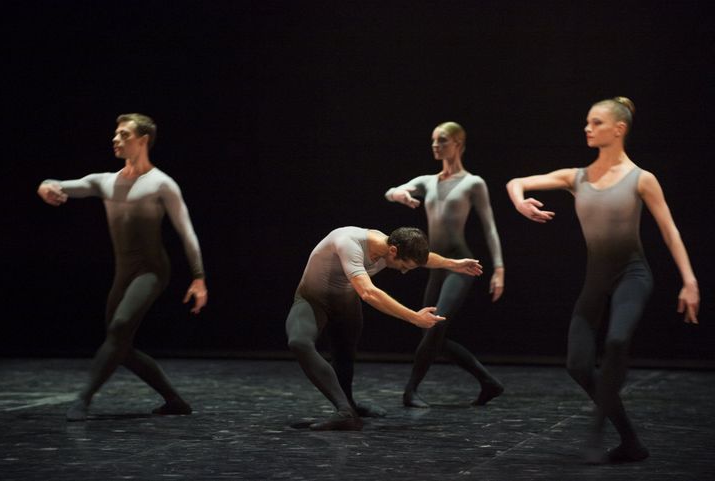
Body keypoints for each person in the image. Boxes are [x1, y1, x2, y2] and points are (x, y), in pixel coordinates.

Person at [506, 97, 699, 463]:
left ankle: (595, 430)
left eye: (595, 122)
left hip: (633, 274)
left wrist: (689, 282)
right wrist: (520, 201)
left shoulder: (642, 179)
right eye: (587, 122)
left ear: (618, 129)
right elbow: (516, 181)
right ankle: (631, 442)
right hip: (596, 278)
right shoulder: (576, 178)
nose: (587, 128)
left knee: (616, 339)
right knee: (577, 365)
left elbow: (670, 231)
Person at [37, 113, 208, 421]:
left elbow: (187, 232)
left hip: (152, 271)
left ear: (142, 141)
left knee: (118, 330)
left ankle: (83, 399)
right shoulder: (104, 182)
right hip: (124, 272)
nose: (116, 139)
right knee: (121, 346)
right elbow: (59, 184)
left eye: (124, 135)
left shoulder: (161, 184)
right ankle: (174, 400)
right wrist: (46, 186)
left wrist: (199, 278)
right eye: (115, 134)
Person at [286, 226, 483, 430]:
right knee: (299, 342)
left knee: (344, 356)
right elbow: (368, 293)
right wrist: (414, 317)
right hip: (313, 300)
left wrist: (454, 264)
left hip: (346, 303)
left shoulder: (390, 245)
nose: (405, 272)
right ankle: (346, 413)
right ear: (393, 252)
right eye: (405, 266)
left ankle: (349, 407)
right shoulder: (349, 243)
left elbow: (426, 258)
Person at [384, 122, 505, 408]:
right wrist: (398, 194)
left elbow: (490, 228)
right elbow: (390, 191)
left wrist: (499, 268)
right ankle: (488, 382)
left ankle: (410, 391)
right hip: (434, 264)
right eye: (433, 141)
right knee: (430, 332)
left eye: (442, 140)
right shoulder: (427, 182)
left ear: (459, 144)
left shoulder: (472, 183)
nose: (436, 146)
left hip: (459, 265)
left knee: (435, 325)